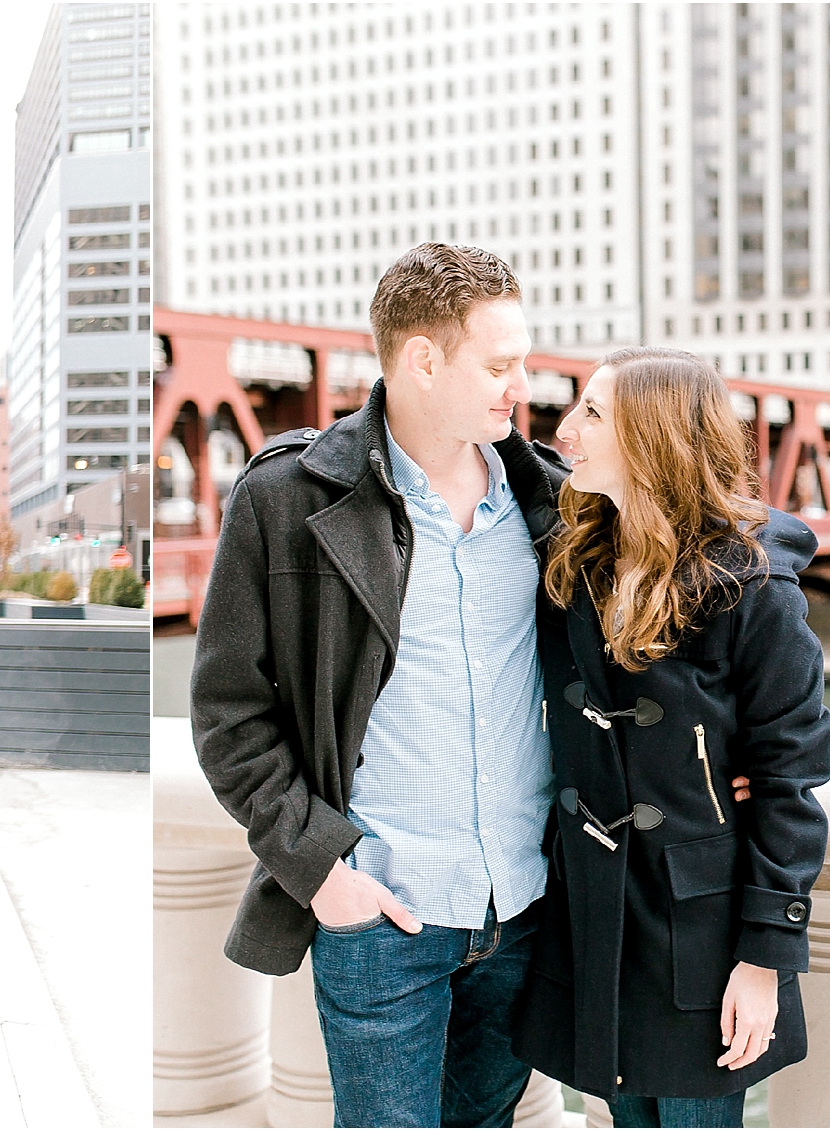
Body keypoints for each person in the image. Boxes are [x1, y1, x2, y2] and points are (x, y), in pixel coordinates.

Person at [192, 243, 573, 1126]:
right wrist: (325, 870)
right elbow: (226, 715)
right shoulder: (284, 499)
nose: (522, 385)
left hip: (522, 906)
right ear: (422, 360)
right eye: (501, 363)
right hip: (382, 914)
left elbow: (662, 630)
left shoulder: (550, 498)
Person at [510, 348, 830, 1128]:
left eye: (593, 412)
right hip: (596, 919)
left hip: (707, 934)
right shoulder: (577, 560)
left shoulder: (753, 589)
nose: (565, 429)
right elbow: (497, 465)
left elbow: (790, 777)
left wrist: (765, 958)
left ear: (653, 436)